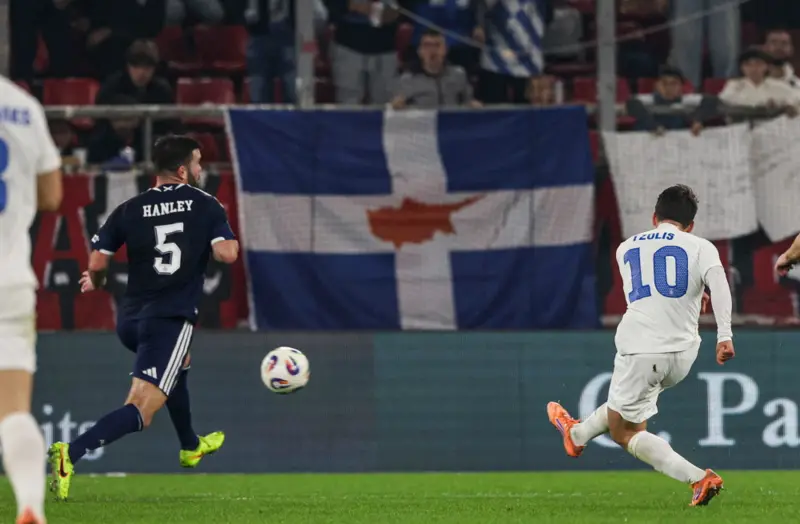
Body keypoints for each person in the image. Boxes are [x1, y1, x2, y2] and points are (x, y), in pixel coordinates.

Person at [48, 135, 240, 502]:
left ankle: (190, 445)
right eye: (197, 162)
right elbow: (227, 255)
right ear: (182, 170)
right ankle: (69, 453)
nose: (200, 169)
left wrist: (97, 281)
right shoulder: (205, 203)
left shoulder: (129, 208)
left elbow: (98, 262)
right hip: (170, 318)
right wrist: (215, 239)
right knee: (141, 409)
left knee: (180, 363)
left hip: (131, 320)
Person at [546, 185, 735, 507]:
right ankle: (575, 435)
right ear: (690, 225)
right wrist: (724, 336)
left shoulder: (626, 248)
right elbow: (718, 286)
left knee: (625, 432)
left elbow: (653, 286)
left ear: (653, 217)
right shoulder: (701, 246)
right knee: (622, 408)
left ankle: (699, 478)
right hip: (683, 355)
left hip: (642, 348)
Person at [0, 76, 64, 524]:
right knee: (13, 412)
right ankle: (29, 505)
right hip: (8, 280)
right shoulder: (22, 106)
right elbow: (52, 195)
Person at [391, 29, 481, 109]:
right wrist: (398, 105)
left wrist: (473, 105)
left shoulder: (458, 74)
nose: (432, 50)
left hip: (452, 121)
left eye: (437, 45)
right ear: (419, 51)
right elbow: (398, 105)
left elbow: (468, 101)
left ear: (445, 50)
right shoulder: (408, 79)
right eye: (427, 45)